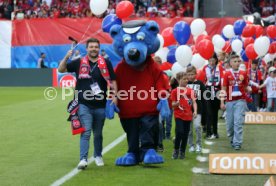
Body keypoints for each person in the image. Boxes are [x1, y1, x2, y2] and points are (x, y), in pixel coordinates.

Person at [58, 38, 117, 169]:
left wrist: (115, 96)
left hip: (100, 105)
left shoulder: (105, 62)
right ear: (87, 49)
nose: (94, 49)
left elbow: (112, 80)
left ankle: (98, 155)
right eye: (91, 47)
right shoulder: (79, 62)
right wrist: (66, 57)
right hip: (83, 103)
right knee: (86, 131)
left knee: (98, 133)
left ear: (99, 48)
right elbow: (61, 69)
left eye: (96, 47)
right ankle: (83, 159)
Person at [220, 54, 249, 150]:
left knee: (238, 122)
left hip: (240, 100)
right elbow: (223, 88)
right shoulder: (226, 74)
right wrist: (222, 102)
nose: (237, 63)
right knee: (230, 124)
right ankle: (232, 138)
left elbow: (245, 86)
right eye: (234, 61)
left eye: (238, 61)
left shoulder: (243, 73)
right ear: (230, 63)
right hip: (229, 101)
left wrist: (248, 89)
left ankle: (237, 142)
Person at [171, 72, 197, 159]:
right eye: (184, 79)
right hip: (178, 115)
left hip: (188, 115)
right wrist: (176, 103)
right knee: (179, 132)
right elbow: (172, 104)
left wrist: (195, 111)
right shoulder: (174, 91)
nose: (186, 80)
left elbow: (194, 102)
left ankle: (182, 151)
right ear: (178, 80)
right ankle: (176, 150)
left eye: (187, 79)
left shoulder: (191, 91)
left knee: (186, 134)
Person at [202, 53, 224, 139]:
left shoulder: (220, 68)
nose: (211, 62)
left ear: (216, 60)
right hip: (207, 91)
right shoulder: (205, 68)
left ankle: (215, 131)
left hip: (217, 91)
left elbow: (222, 81)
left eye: (213, 60)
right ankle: (208, 132)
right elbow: (202, 79)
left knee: (215, 113)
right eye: (210, 60)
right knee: (209, 112)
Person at [186, 66, 206, 153]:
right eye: (189, 74)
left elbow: (204, 95)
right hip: (187, 110)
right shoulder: (185, 84)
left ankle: (198, 144)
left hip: (198, 109)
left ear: (196, 74)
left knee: (197, 126)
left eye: (192, 74)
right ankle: (191, 145)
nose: (190, 76)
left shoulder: (200, 84)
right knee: (189, 129)